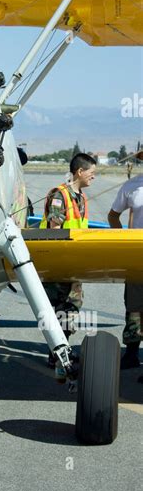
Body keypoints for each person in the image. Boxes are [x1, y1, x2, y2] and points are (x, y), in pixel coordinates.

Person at [39, 153, 97, 379]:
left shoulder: (80, 198)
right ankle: (55, 354)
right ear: (79, 172)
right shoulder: (59, 195)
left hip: (73, 265)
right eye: (92, 173)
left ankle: (60, 351)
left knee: (70, 308)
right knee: (57, 309)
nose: (94, 177)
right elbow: (55, 229)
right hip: (58, 264)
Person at [108, 151, 143, 372]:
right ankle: (131, 353)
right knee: (134, 306)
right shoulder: (132, 186)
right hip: (137, 255)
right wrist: (122, 239)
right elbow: (113, 215)